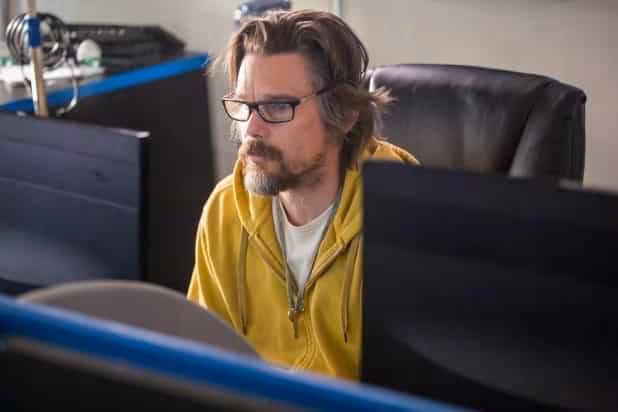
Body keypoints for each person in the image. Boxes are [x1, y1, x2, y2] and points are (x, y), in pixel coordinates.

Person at [187, 9, 418, 380]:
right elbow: (200, 363)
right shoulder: (225, 209)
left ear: (344, 114)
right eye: (244, 105)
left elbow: (417, 390)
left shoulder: (405, 222)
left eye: (278, 106)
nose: (252, 129)